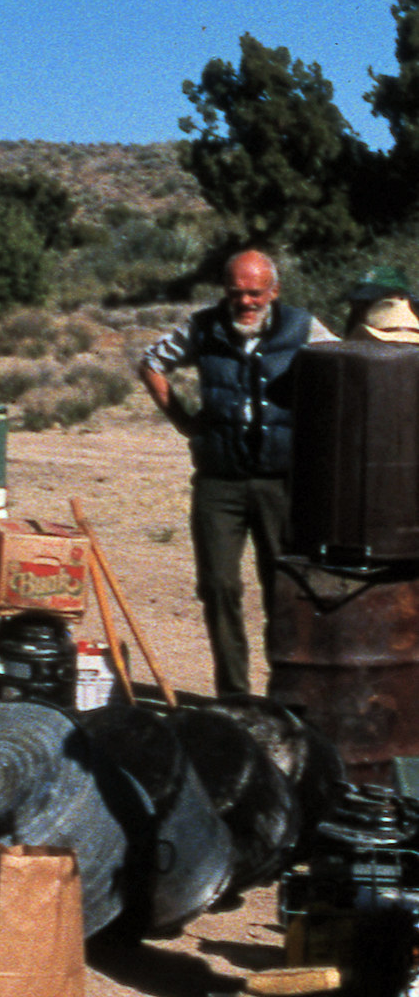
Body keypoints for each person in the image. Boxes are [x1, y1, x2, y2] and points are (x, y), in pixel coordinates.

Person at [137, 249, 334, 696]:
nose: (245, 303)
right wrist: (185, 422)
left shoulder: (304, 328)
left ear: (274, 291)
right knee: (219, 585)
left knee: (282, 588)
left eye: (255, 293)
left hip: (280, 482)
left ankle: (287, 691)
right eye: (236, 293)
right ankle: (235, 695)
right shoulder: (203, 327)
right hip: (219, 481)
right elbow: (151, 364)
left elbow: (344, 369)